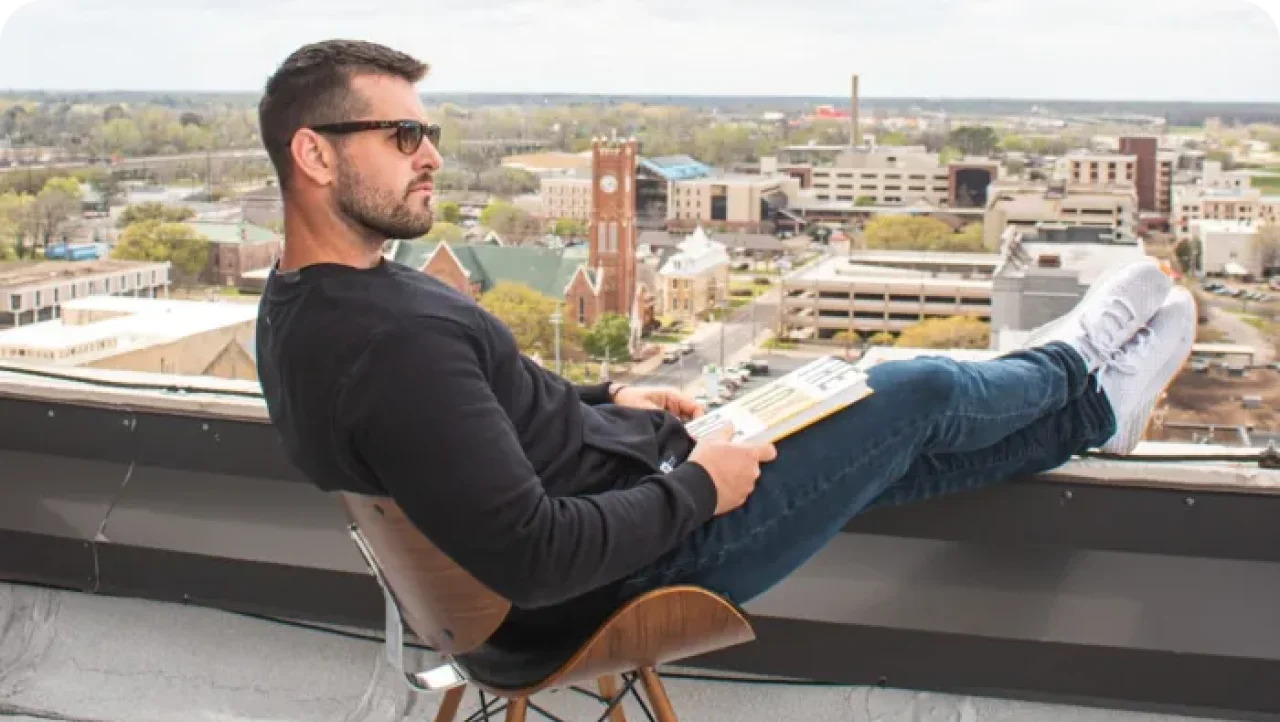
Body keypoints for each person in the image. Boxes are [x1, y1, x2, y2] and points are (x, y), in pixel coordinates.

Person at [254, 40, 1196, 645]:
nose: (430, 153)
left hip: (634, 488)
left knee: (878, 437)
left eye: (430, 131)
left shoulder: (307, 308)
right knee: (911, 394)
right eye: (403, 133)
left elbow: (477, 425)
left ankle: (1096, 410)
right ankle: (1077, 362)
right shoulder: (392, 345)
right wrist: (702, 486)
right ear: (315, 152)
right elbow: (536, 557)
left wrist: (607, 401)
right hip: (637, 569)